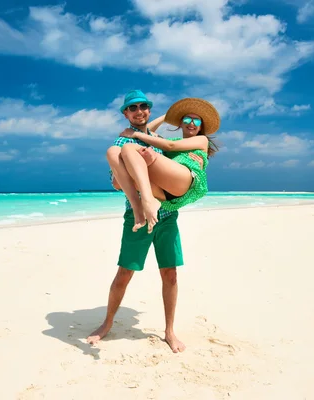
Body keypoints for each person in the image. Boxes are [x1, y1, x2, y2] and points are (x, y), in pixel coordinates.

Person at [86, 90, 199, 353]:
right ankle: (107, 323)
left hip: (167, 215)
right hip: (135, 216)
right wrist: (126, 177)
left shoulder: (157, 139)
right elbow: (115, 183)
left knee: (170, 273)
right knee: (125, 272)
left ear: (148, 110)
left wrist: (167, 122)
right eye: (133, 108)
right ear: (125, 113)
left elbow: (169, 159)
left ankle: (169, 331)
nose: (139, 111)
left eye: (144, 107)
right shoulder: (121, 140)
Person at [116, 97, 221, 233]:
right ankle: (148, 203)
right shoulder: (174, 141)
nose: (191, 123)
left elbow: (170, 146)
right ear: (181, 124)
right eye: (187, 120)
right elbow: (147, 132)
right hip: (168, 192)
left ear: (201, 126)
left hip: (184, 179)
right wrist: (167, 117)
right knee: (127, 178)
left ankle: (146, 201)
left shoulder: (201, 140)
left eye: (197, 121)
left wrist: (135, 134)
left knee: (130, 148)